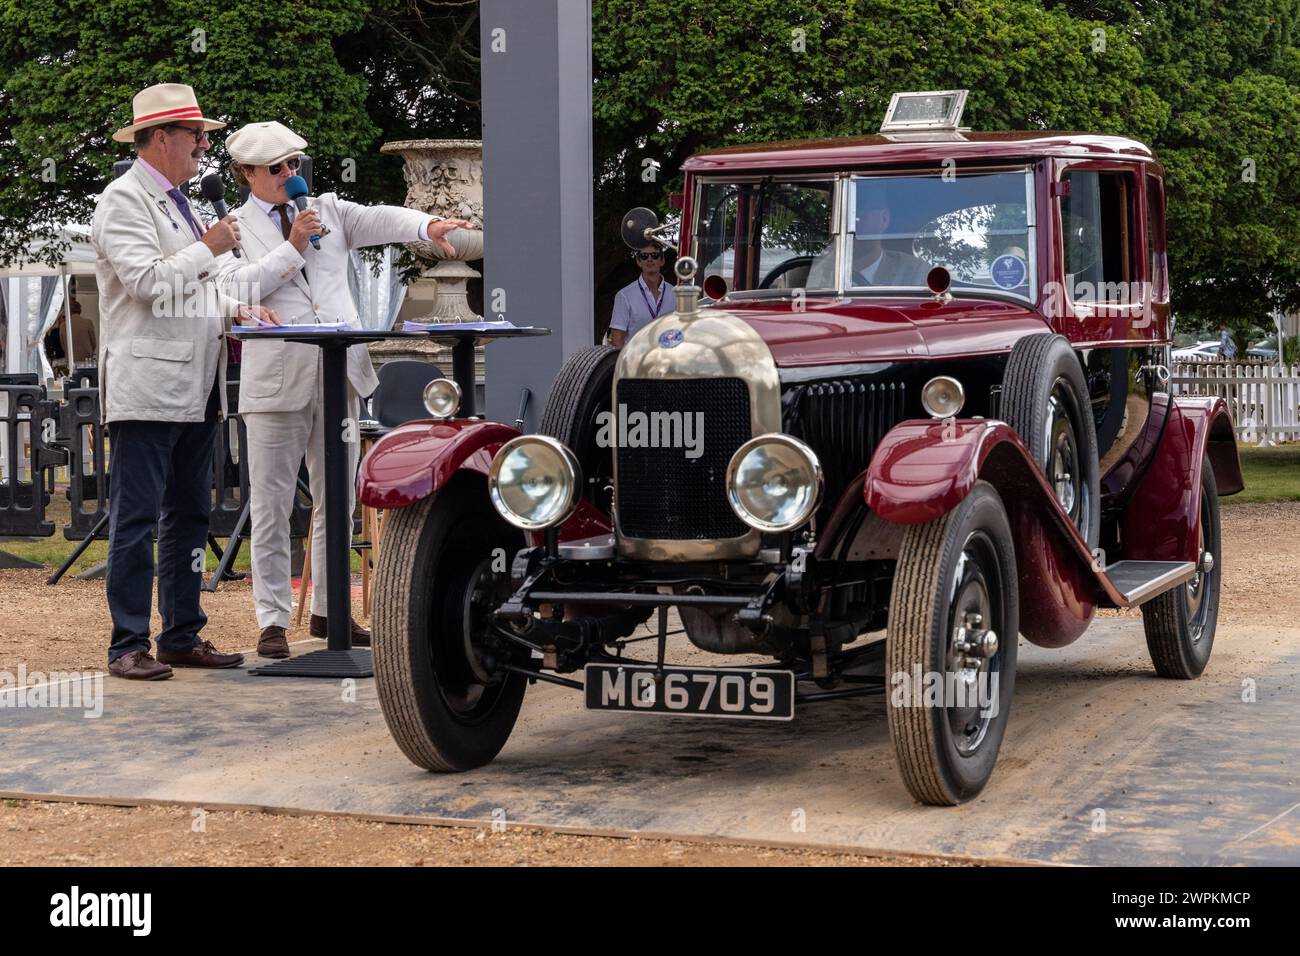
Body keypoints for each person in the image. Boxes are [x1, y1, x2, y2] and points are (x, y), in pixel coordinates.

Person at [217, 121, 473, 658]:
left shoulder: (329, 210)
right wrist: (292, 246)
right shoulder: (233, 228)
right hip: (276, 381)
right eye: (276, 168)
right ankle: (271, 620)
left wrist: (427, 226)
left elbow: (381, 217)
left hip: (339, 375)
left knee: (339, 498)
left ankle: (331, 612)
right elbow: (234, 291)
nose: (289, 175)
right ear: (246, 175)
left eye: (293, 164)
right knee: (271, 501)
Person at [92, 83, 278, 680]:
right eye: (197, 134)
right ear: (162, 137)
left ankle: (180, 632)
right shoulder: (123, 201)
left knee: (192, 514)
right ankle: (127, 644)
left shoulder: (179, 201)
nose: (205, 145)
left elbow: (196, 289)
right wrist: (208, 245)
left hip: (196, 387)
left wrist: (239, 308)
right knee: (138, 518)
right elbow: (149, 284)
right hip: (147, 387)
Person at [608, 243, 677, 347]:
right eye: (644, 256)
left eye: (654, 255)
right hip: (636, 360)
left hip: (667, 359)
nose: (649, 259)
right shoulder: (624, 295)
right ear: (638, 262)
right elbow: (617, 338)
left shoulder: (676, 294)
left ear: (662, 261)